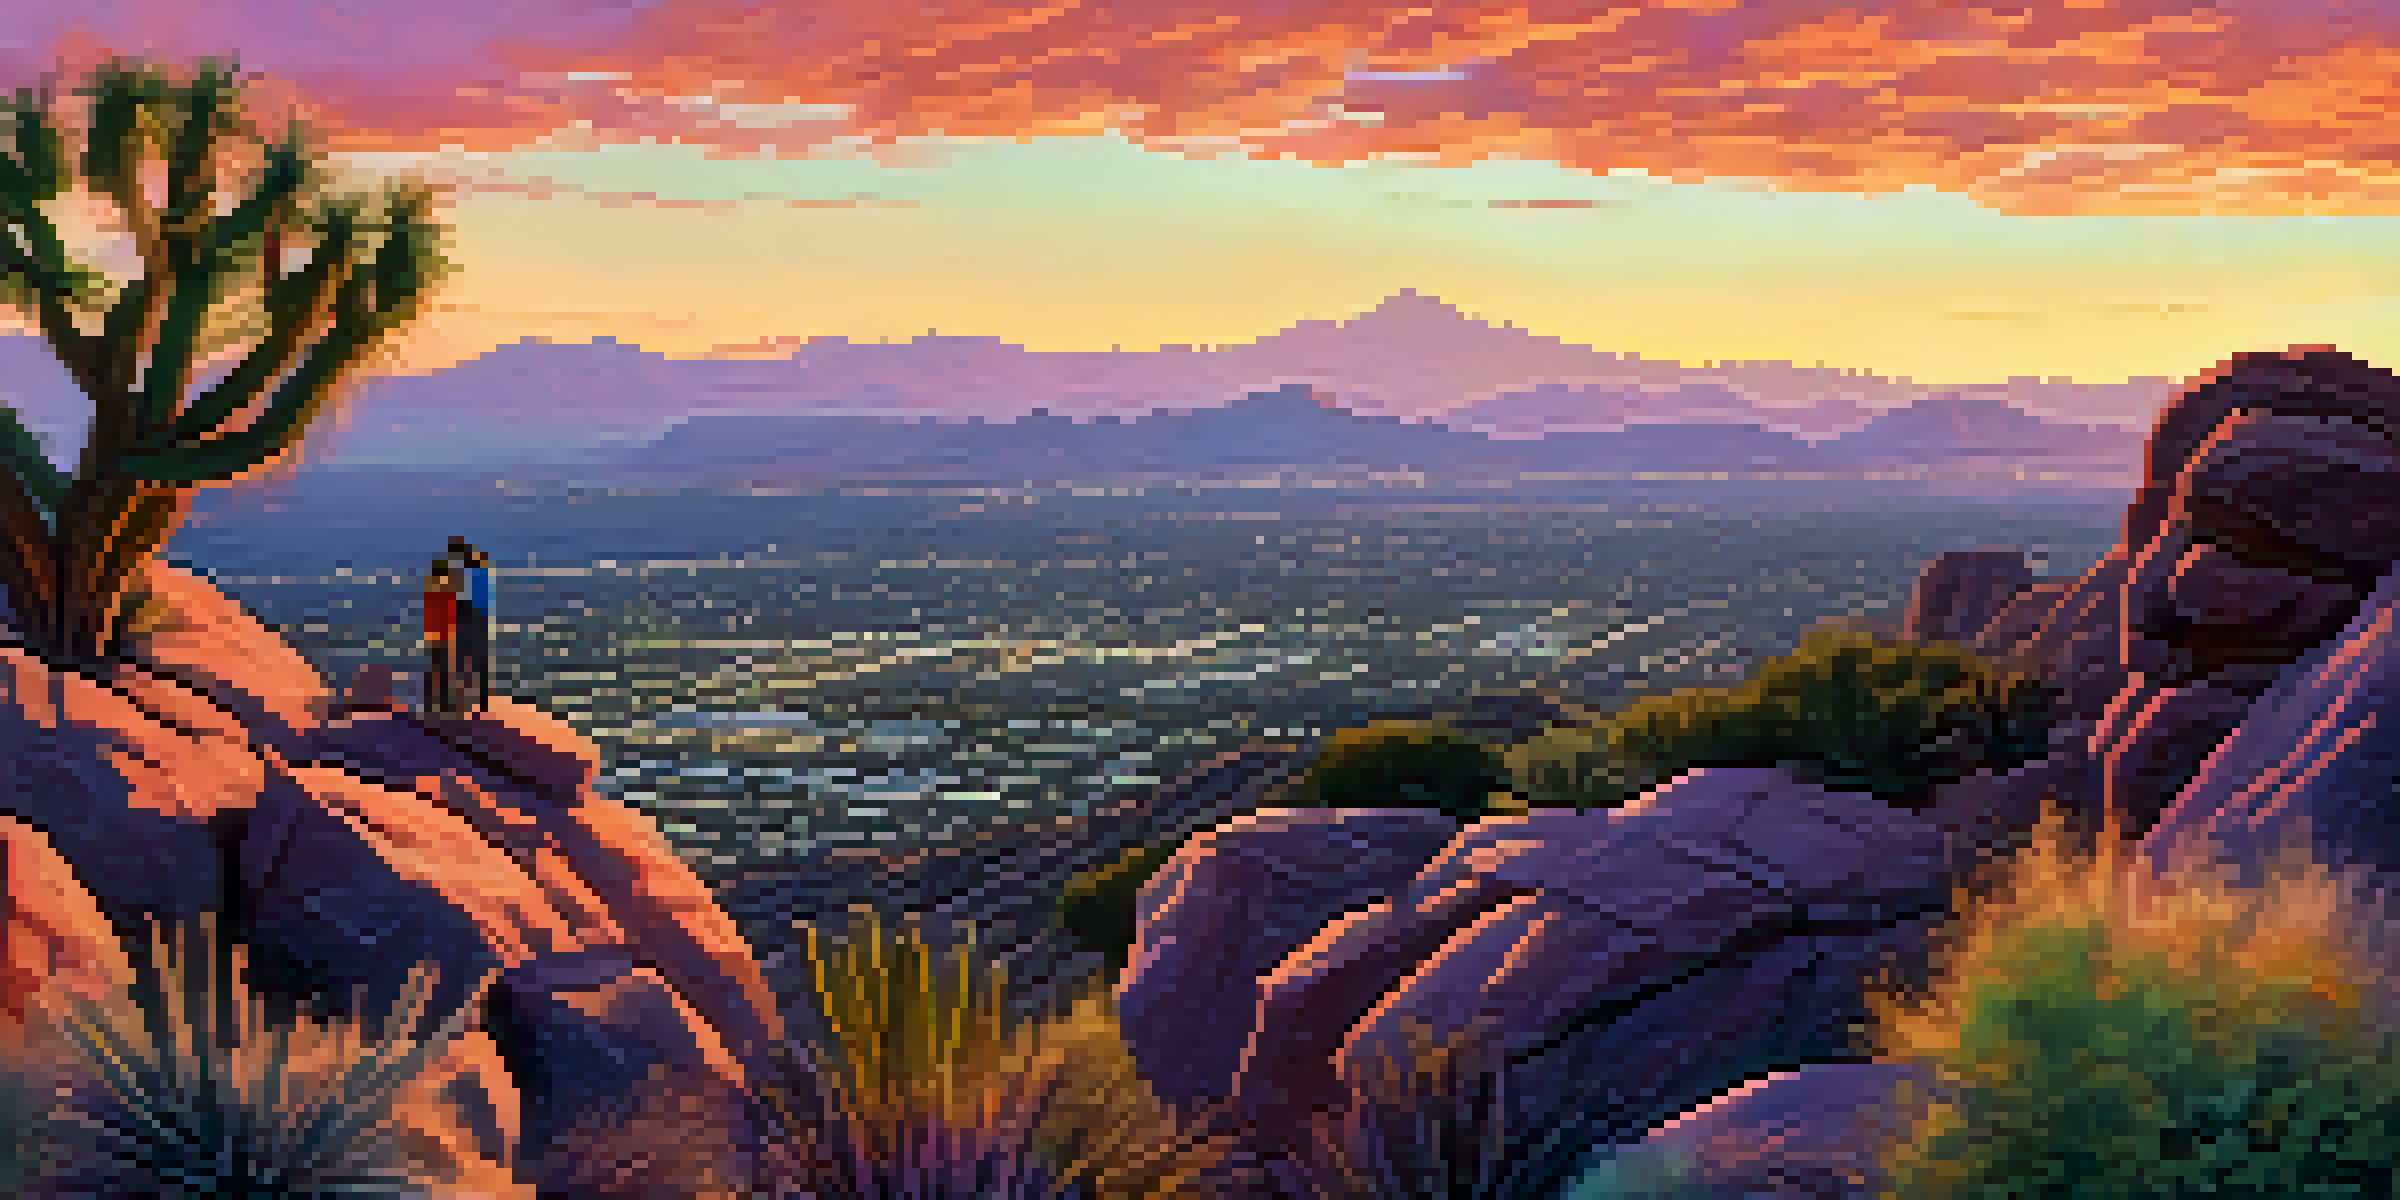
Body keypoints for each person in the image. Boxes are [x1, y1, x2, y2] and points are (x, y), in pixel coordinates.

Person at [451, 535, 495, 713]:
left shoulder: (473, 571)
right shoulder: (478, 570)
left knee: (468, 661)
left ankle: (471, 701)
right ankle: (479, 701)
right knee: (476, 661)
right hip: (476, 617)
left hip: (471, 616)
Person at [423, 556, 460, 717]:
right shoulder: (442, 591)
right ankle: (440, 704)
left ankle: (436, 704)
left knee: (440, 670)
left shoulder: (436, 590)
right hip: (442, 636)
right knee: (442, 670)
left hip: (440, 636)